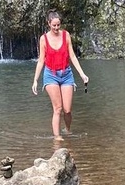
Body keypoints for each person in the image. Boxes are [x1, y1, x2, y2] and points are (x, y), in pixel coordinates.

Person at [31, 9, 89, 138]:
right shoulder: (43, 39)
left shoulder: (66, 35)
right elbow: (41, 61)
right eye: (54, 25)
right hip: (50, 74)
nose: (56, 28)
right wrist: (35, 80)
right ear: (48, 24)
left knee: (67, 110)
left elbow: (73, 56)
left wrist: (82, 74)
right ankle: (57, 138)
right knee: (57, 108)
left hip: (66, 74)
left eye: (58, 25)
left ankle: (67, 130)